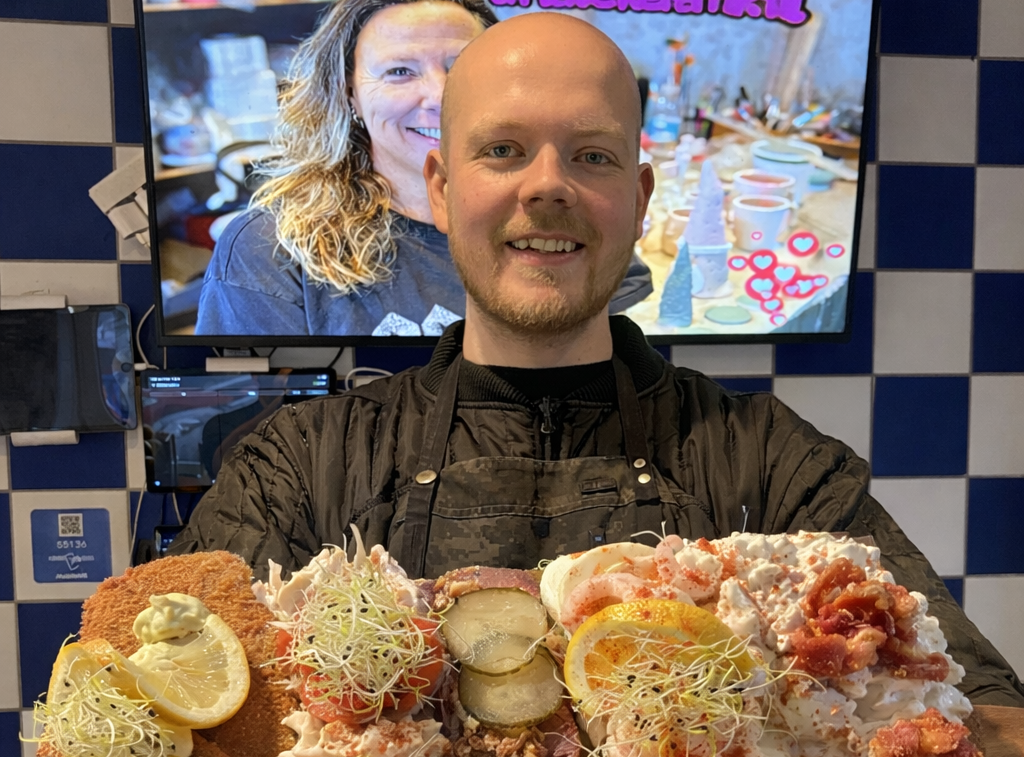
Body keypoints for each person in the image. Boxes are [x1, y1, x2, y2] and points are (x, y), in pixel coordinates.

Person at [175, 12, 1022, 714]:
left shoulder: (773, 465)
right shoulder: (299, 468)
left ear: (639, 199)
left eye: (592, 155)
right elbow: (166, 693)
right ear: (440, 188)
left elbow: (977, 708)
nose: (547, 186)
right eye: (503, 150)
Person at [194, 0, 652, 337]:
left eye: (462, 66)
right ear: (350, 94)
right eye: (399, 72)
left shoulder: (559, 211)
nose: (439, 97)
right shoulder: (268, 251)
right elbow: (249, 423)